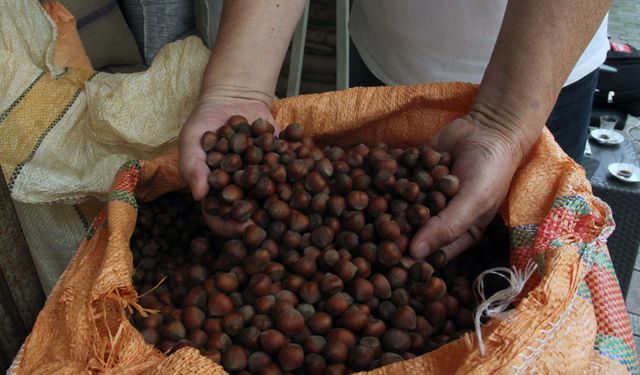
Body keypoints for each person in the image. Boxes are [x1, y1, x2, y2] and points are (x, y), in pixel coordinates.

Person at [179, 1, 612, 262]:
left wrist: (505, 123)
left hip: (542, 71)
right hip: (388, 49)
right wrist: (239, 83)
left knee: (513, 258)